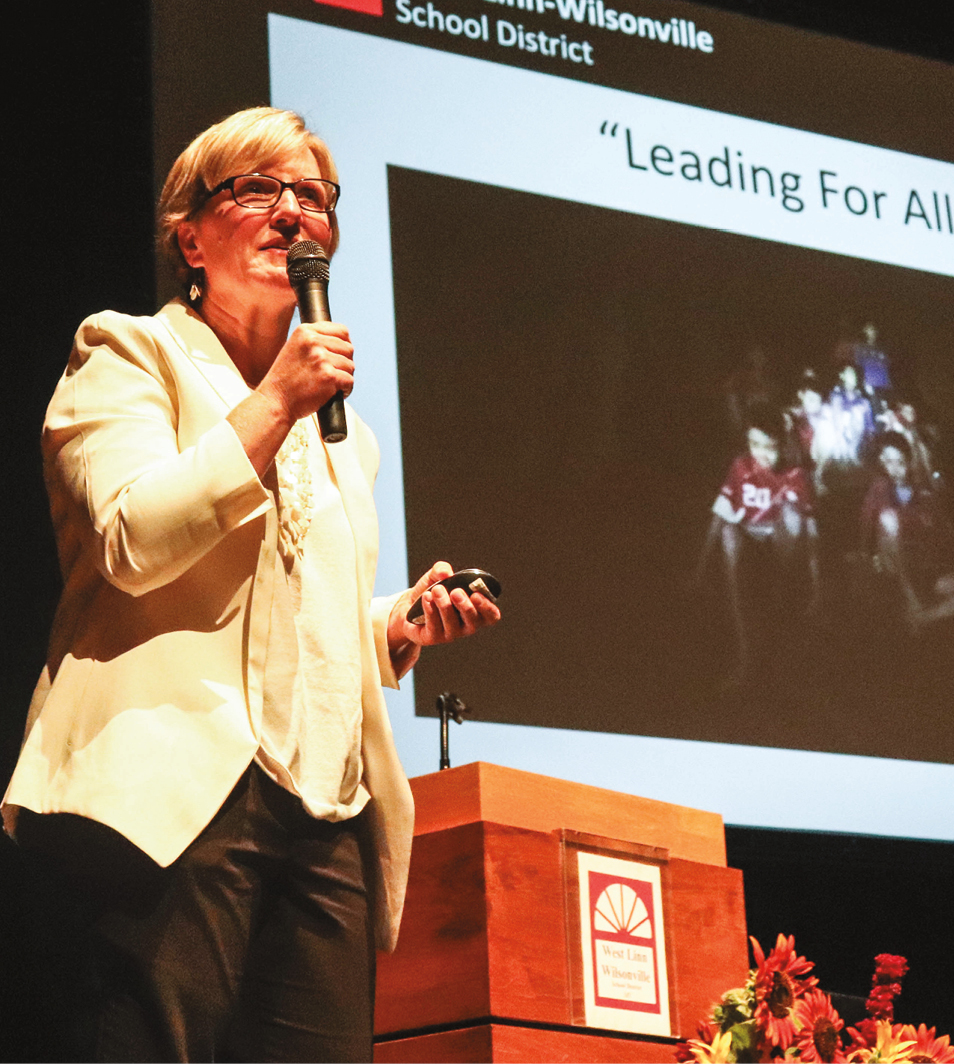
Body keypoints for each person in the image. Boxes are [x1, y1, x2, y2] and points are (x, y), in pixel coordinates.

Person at [1, 107, 500, 1063]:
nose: (292, 215)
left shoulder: (341, 430)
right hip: (177, 800)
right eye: (256, 190)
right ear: (190, 235)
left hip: (326, 816)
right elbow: (133, 539)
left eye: (312, 197)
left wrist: (395, 624)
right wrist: (275, 401)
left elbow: (295, 617)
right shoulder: (127, 353)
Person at [698, 406, 819, 682]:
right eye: (754, 445)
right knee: (728, 531)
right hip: (748, 537)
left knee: (790, 513)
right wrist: (700, 570)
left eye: (769, 446)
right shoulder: (741, 466)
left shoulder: (794, 474)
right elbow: (719, 515)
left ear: (781, 444)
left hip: (780, 543)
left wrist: (817, 582)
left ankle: (779, 591)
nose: (761, 454)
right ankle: (745, 645)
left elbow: (810, 528)